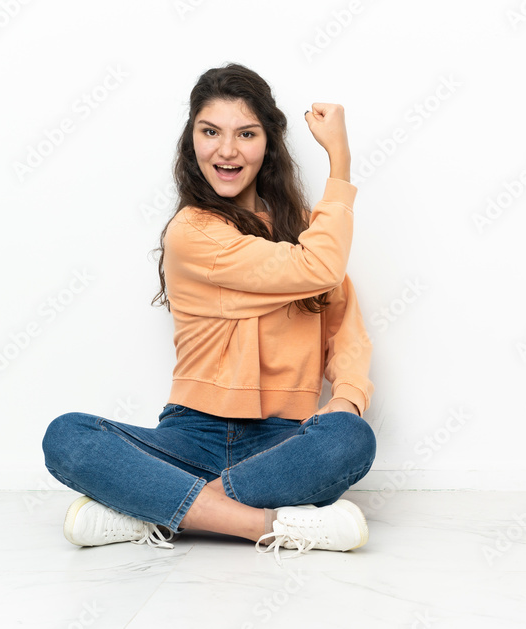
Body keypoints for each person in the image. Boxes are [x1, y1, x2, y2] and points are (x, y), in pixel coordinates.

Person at [41, 63, 376, 563]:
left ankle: (153, 509)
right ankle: (268, 524)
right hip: (190, 435)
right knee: (67, 436)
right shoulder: (192, 232)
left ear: (269, 144)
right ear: (191, 140)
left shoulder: (313, 232)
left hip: (283, 442)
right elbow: (320, 265)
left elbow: (343, 330)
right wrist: (341, 163)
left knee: (350, 438)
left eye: (246, 133)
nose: (226, 150)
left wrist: (347, 399)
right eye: (210, 131)